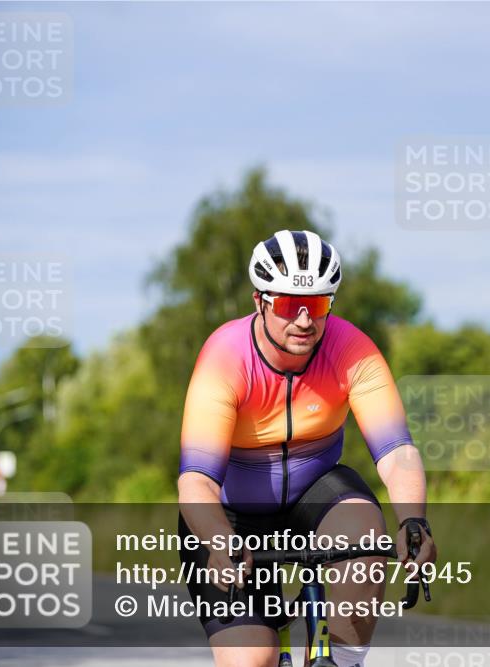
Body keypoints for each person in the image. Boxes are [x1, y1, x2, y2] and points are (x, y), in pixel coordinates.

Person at [178, 229, 435, 667]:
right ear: (259, 301)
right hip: (230, 515)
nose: (303, 321)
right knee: (251, 660)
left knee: (365, 536)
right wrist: (220, 541)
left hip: (316, 494)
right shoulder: (225, 356)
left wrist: (414, 521)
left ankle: (343, 661)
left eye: (316, 305)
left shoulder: (352, 349)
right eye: (286, 305)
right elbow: (196, 481)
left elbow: (397, 453)